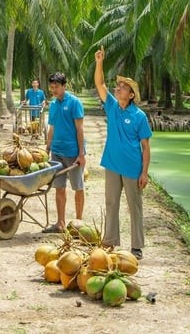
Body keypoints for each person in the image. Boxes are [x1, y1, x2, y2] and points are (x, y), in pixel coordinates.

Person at [94, 47, 152, 260]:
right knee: (111, 204)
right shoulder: (111, 106)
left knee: (134, 206)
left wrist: (144, 172)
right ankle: (110, 242)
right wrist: (100, 61)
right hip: (112, 164)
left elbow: (146, 147)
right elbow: (100, 84)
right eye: (118, 86)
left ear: (131, 94)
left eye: (122, 87)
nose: (117, 89)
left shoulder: (139, 116)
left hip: (132, 168)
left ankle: (136, 246)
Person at [42, 72, 86, 233]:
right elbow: (51, 128)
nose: (53, 89)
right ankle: (60, 223)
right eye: (51, 87)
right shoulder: (53, 104)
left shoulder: (74, 102)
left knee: (77, 187)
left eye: (56, 87)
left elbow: (80, 128)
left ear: (64, 86)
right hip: (57, 153)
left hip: (73, 152)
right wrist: (47, 148)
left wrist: (81, 154)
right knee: (59, 188)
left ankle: (79, 224)